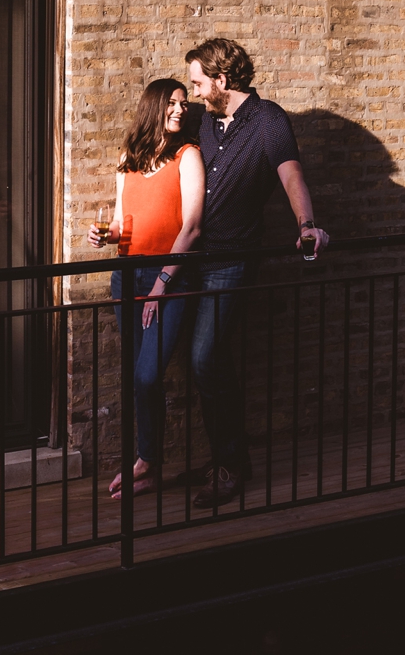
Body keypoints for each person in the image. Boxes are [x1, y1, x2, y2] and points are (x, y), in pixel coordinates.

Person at [183, 38, 329, 508]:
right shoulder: (202, 119)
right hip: (192, 258)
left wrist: (307, 225)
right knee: (210, 360)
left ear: (222, 81)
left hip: (232, 259)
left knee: (206, 357)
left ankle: (229, 467)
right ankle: (231, 457)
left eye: (199, 82)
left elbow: (291, 177)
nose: (194, 91)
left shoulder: (268, 121)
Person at [88, 78, 204, 498]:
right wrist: (108, 236)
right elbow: (123, 224)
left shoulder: (188, 156)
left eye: (184, 103)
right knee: (139, 378)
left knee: (146, 373)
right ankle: (150, 466)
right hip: (127, 275)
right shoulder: (129, 158)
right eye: (173, 102)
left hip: (169, 278)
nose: (181, 109)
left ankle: (146, 459)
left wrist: (161, 284)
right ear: (155, 106)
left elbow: (191, 228)